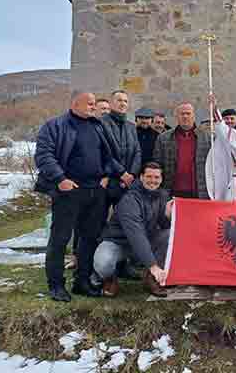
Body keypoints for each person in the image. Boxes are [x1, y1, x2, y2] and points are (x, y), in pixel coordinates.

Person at [35, 92, 122, 302]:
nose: (94, 107)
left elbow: (107, 156)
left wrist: (114, 174)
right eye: (90, 103)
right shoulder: (54, 126)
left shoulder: (97, 126)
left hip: (95, 192)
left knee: (89, 238)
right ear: (75, 104)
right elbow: (43, 156)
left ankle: (81, 282)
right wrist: (60, 178)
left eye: (94, 104)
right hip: (69, 191)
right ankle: (56, 285)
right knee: (60, 239)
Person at [91, 162, 173, 298]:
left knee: (170, 235)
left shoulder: (162, 195)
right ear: (141, 177)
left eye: (156, 177)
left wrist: (168, 215)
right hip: (118, 243)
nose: (153, 181)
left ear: (161, 179)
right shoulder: (130, 199)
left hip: (143, 243)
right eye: (149, 176)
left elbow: (163, 226)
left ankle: (150, 278)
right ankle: (110, 278)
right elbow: (136, 234)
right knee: (104, 262)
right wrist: (153, 265)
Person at [153, 102, 212, 199]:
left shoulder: (207, 138)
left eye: (188, 113)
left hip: (199, 192)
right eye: (182, 113)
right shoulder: (163, 138)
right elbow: (157, 164)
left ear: (194, 116)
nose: (185, 116)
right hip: (172, 192)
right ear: (176, 116)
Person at [101, 90, 141, 208]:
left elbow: (137, 152)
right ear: (111, 103)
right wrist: (122, 172)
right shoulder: (101, 124)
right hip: (109, 181)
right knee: (100, 220)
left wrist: (132, 174)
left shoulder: (131, 127)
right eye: (119, 100)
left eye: (125, 101)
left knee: (125, 219)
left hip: (128, 183)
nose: (123, 103)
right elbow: (103, 152)